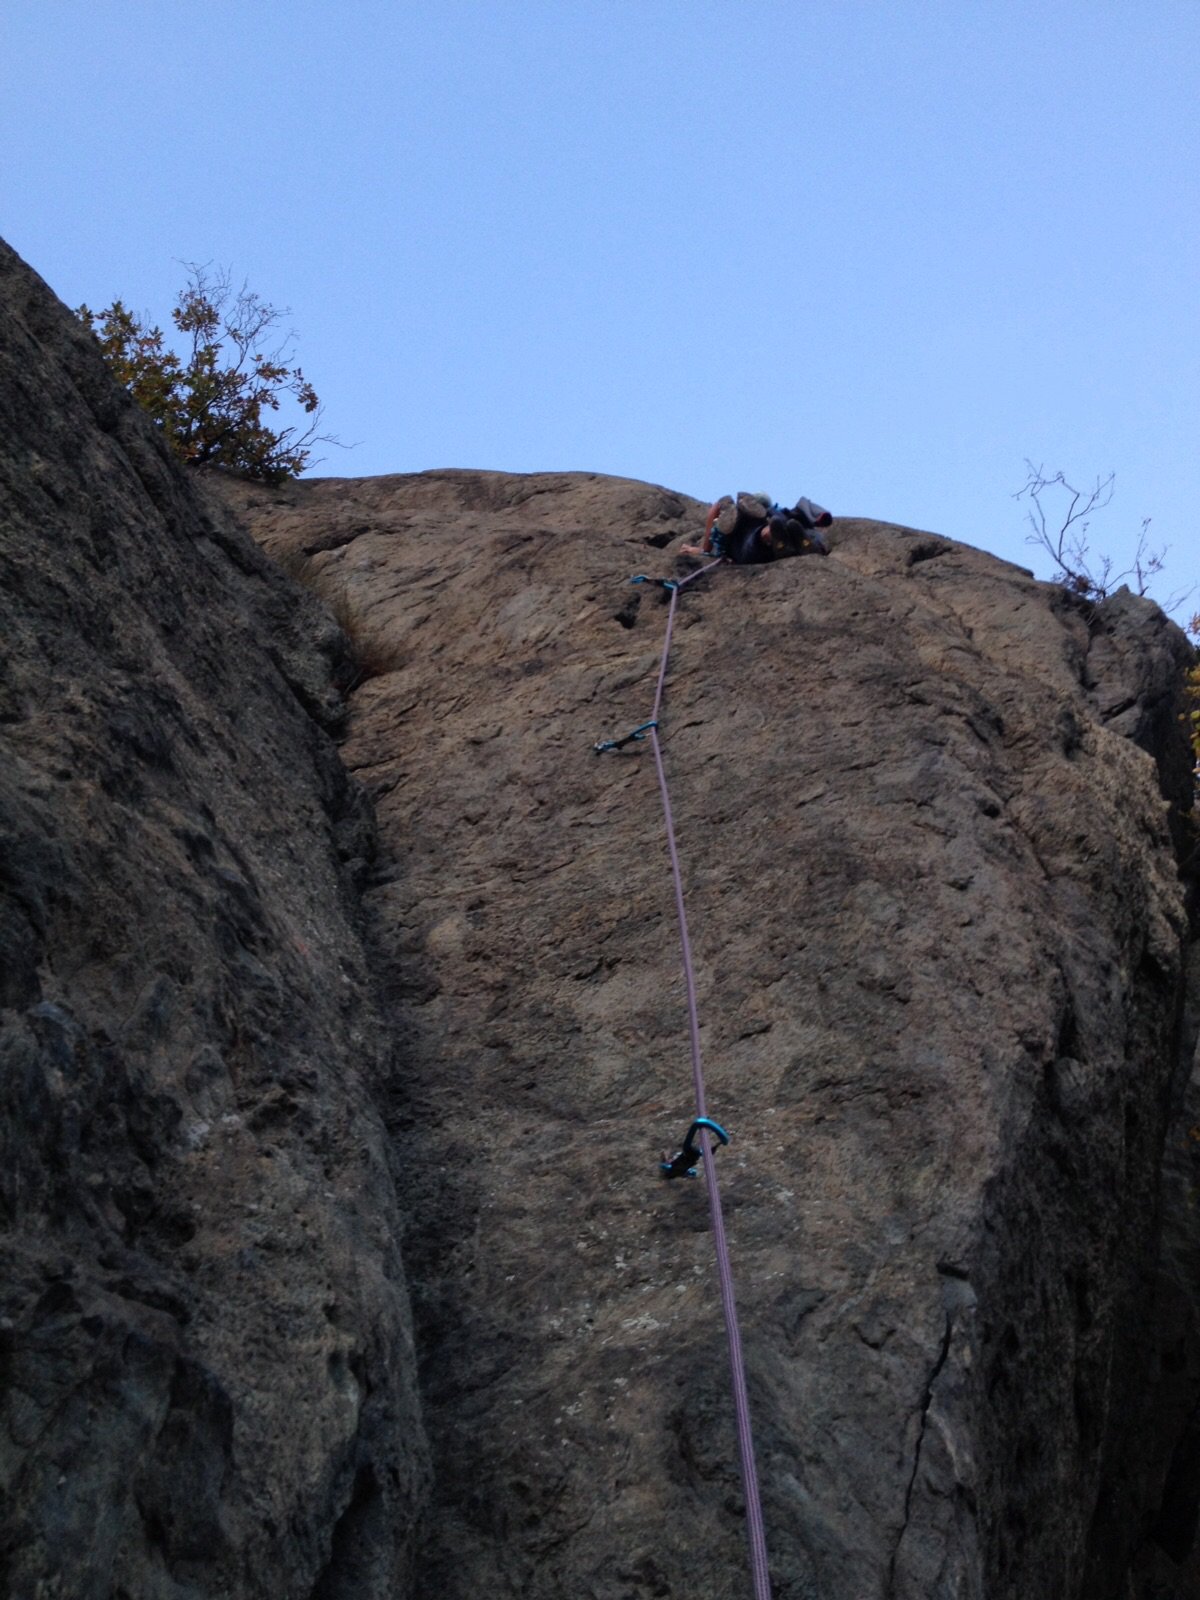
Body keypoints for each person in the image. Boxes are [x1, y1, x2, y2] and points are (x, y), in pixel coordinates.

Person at [681, 491, 833, 564]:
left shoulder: (776, 515)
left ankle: (784, 544)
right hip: (758, 536)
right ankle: (806, 545)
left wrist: (704, 549)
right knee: (779, 526)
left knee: (774, 529)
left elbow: (715, 508)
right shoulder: (780, 513)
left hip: (753, 542)